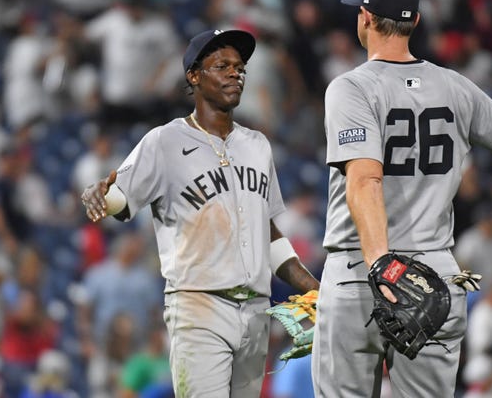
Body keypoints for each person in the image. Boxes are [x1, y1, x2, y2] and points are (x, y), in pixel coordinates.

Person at [312, 0, 492, 398]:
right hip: (436, 277)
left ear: (366, 18)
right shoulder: (455, 87)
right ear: (414, 21)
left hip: (361, 270)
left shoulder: (351, 88)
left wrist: (383, 267)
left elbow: (364, 179)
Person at [81, 28, 319, 397]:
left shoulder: (257, 145)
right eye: (221, 65)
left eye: (239, 67)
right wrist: (100, 194)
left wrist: (314, 288)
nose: (234, 73)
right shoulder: (165, 141)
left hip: (256, 310)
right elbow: (118, 198)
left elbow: (267, 234)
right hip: (199, 306)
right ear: (193, 75)